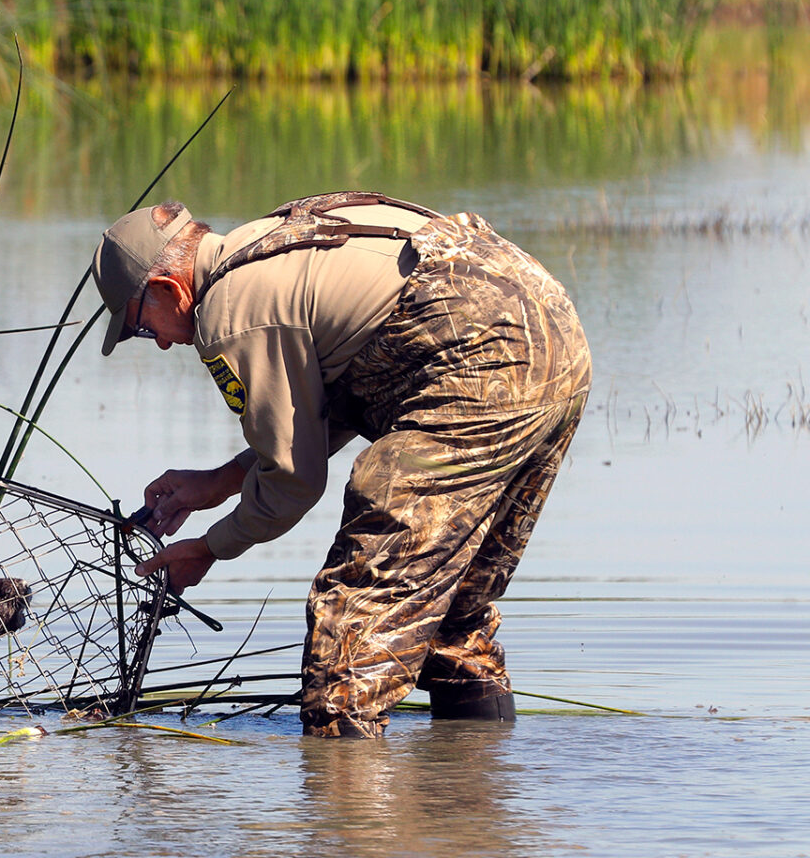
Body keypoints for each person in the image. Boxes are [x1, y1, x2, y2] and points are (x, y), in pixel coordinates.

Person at [92, 191, 590, 738]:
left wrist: (210, 549)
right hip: (555, 343)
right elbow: (346, 388)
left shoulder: (230, 315)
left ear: (167, 288)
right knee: (451, 618)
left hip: (479, 365)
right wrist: (222, 481)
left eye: (143, 328)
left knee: (350, 636)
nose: (160, 344)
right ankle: (465, 805)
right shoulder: (273, 239)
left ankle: (347, 813)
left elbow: (294, 481)